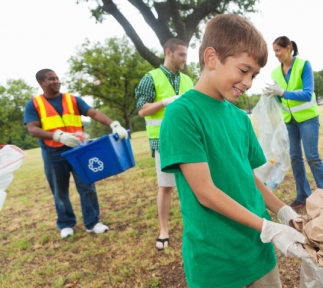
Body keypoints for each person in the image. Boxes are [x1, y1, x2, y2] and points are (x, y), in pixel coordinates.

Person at [159, 14, 308, 288]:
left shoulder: (240, 119)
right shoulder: (182, 114)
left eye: (254, 75)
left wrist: (284, 212)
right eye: (243, 70)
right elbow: (205, 193)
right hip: (216, 263)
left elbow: (249, 180)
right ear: (212, 58)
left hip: (259, 254)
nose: (249, 82)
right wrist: (266, 227)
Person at [24, 69, 128, 238]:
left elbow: (93, 113)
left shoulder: (72, 99)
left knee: (87, 186)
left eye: (57, 78)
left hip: (78, 150)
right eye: (51, 79)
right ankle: (66, 224)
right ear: (41, 83)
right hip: (53, 153)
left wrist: (114, 124)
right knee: (60, 191)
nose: (56, 81)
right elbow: (32, 129)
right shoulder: (34, 104)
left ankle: (93, 222)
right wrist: (58, 135)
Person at [135, 38, 194, 251]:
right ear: (168, 52)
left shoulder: (188, 80)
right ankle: (164, 231)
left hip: (188, 140)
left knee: (192, 186)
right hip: (163, 142)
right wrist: (166, 101)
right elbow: (142, 110)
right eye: (181, 55)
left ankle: (194, 226)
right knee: (166, 187)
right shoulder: (150, 78)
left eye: (186, 55)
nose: (185, 60)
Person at [263, 36, 323, 209]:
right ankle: (303, 196)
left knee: (312, 157)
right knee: (295, 158)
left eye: (278, 50)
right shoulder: (275, 73)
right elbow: (281, 98)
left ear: (288, 48)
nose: (276, 54)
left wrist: (283, 92)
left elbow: (308, 93)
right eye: (274, 51)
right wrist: (273, 95)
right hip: (290, 121)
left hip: (308, 118)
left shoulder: (303, 65)